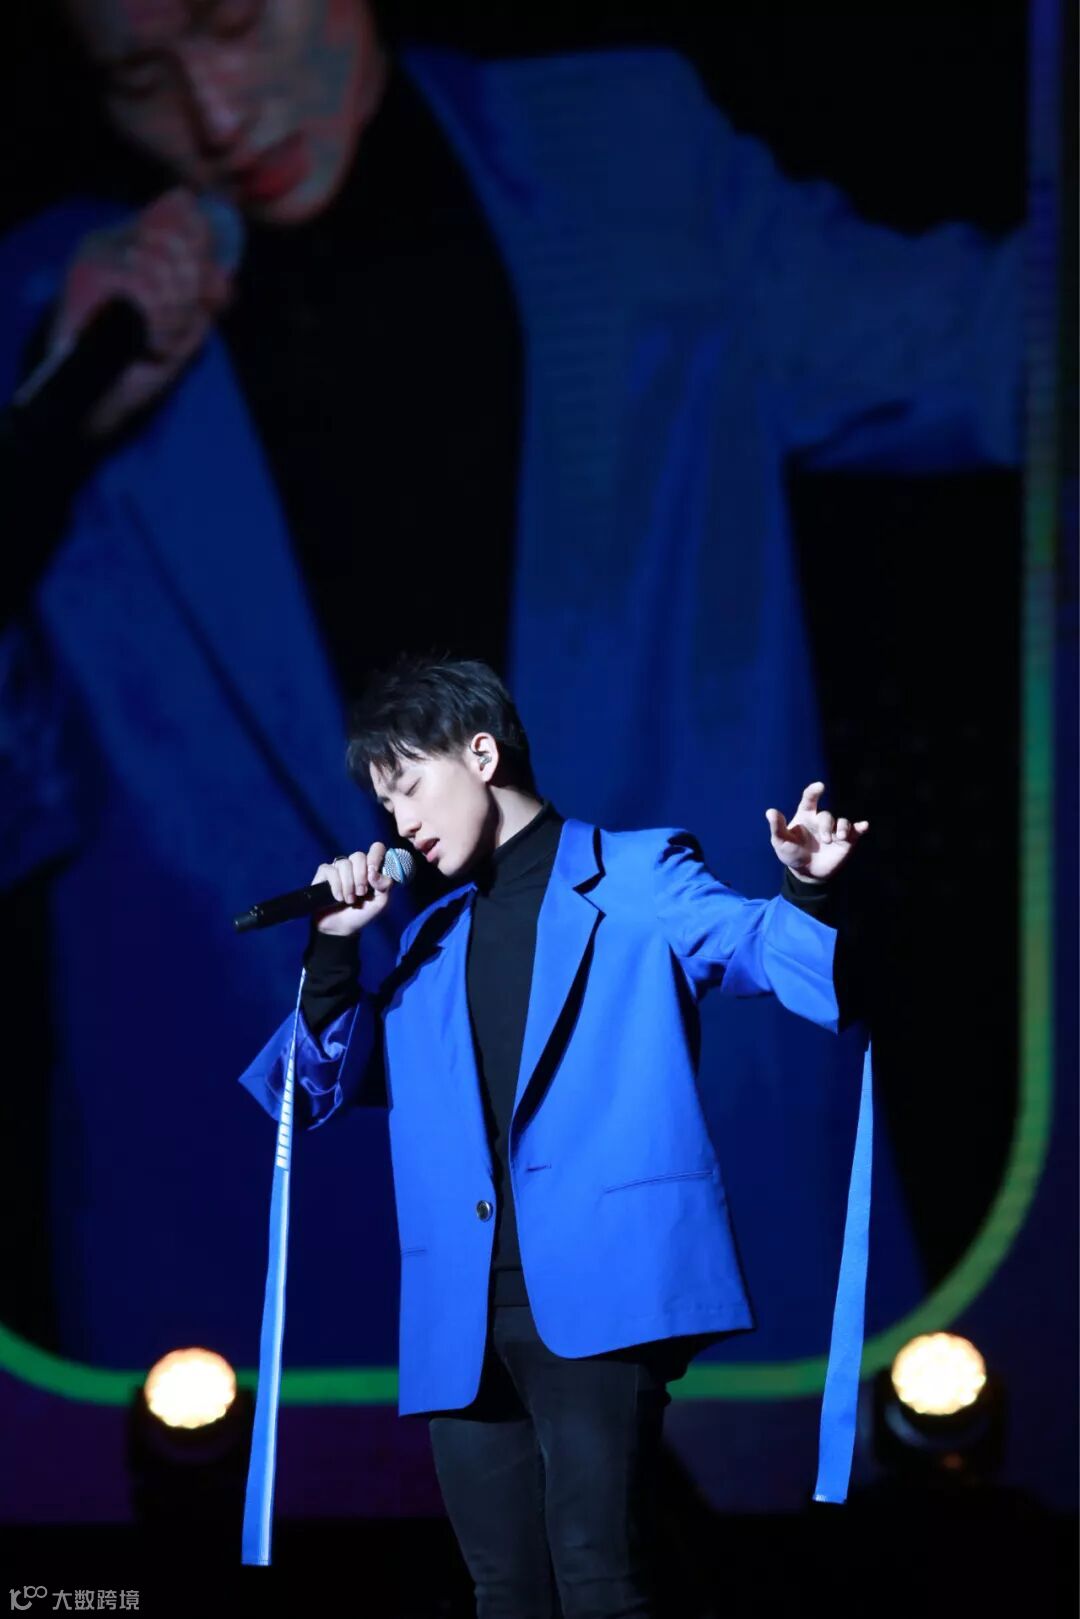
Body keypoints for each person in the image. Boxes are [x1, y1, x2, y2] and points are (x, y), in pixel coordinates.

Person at [0, 0, 1016, 1405]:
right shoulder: (48, 311)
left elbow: (989, 349)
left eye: (236, 24)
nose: (216, 115)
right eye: (138, 75)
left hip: (701, 1187)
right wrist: (39, 445)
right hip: (269, 1269)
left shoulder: (624, 148)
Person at [238, 651, 868, 1616]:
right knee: (503, 1588)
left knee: (599, 1576)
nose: (399, 825)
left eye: (409, 787)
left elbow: (766, 952)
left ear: (481, 754)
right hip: (462, 1313)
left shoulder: (638, 875)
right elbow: (304, 1093)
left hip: (599, 1288)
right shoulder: (430, 939)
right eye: (385, 803)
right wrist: (332, 950)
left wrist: (809, 890)